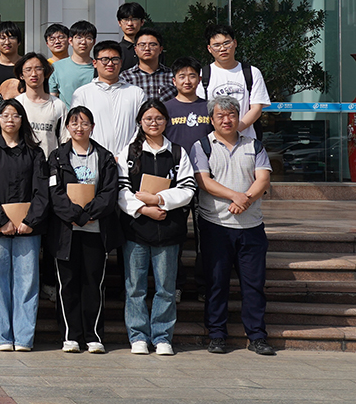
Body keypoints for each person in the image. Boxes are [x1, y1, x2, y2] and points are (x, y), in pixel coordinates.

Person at [193, 95, 275, 356]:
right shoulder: (202, 146)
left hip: (251, 226)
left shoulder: (255, 145)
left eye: (231, 115)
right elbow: (203, 181)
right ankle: (217, 335)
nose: (226, 120)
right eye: (220, 115)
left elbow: (263, 179)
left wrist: (245, 200)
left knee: (254, 285)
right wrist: (235, 196)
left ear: (239, 117)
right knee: (216, 283)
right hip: (215, 224)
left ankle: (257, 336)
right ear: (212, 119)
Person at [116, 99, 196, 356]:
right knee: (135, 287)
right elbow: (121, 190)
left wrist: (158, 200)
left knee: (166, 288)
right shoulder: (129, 153)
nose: (154, 123)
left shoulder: (178, 153)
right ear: (140, 122)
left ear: (166, 121)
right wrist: (143, 209)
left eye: (159, 118)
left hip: (168, 229)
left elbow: (188, 189)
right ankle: (138, 336)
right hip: (136, 228)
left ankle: (162, 337)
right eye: (148, 118)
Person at [46, 107, 121, 354]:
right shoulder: (57, 157)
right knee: (67, 285)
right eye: (74, 123)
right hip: (66, 232)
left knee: (93, 284)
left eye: (85, 123)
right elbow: (55, 193)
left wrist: (88, 214)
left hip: (95, 230)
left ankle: (94, 335)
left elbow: (109, 192)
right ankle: (70, 335)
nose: (79, 128)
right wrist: (76, 216)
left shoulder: (104, 157)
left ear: (92, 127)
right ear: (67, 127)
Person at [0, 100, 49, 352]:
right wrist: (1, 220)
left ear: (23, 120)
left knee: (27, 282)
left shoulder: (35, 153)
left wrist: (30, 221)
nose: (10, 119)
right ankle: (2, 336)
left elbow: (42, 191)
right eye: (5, 115)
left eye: (15, 115)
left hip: (28, 229)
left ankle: (23, 337)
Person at [72, 41, 147, 156]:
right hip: (94, 157)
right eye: (105, 60)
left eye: (115, 59)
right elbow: (77, 128)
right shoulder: (82, 94)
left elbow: (142, 127)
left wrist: (126, 154)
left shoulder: (136, 93)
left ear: (121, 63)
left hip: (130, 158)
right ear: (94, 63)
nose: (110, 64)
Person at [197, 24, 270, 139]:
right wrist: (222, 134)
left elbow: (256, 109)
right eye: (216, 45)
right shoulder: (203, 75)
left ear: (235, 43)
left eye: (226, 43)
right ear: (209, 49)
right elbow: (200, 110)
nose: (222, 48)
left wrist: (234, 131)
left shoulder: (252, 72)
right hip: (214, 142)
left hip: (246, 140)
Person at [12, 52, 68, 158]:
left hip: (50, 163)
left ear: (45, 73)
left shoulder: (58, 105)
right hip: (23, 162)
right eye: (28, 69)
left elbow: (64, 139)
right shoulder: (17, 104)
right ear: (21, 75)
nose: (33, 74)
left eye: (38, 69)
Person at [50, 20, 97, 108]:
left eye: (88, 38)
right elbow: (52, 99)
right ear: (70, 41)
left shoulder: (99, 67)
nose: (83, 42)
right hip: (67, 115)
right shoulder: (57, 67)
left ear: (94, 42)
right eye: (79, 37)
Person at [121, 27, 176, 101]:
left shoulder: (172, 75)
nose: (147, 48)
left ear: (160, 49)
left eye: (152, 45)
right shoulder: (125, 77)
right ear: (135, 50)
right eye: (142, 45)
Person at [116, 1, 146, 70]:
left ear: (142, 22)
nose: (130, 24)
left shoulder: (150, 49)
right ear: (119, 23)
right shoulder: (116, 50)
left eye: (134, 19)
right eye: (125, 19)